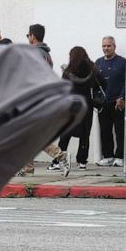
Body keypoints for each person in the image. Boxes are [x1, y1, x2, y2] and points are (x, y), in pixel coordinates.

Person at [20, 23, 69, 175]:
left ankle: (61, 157)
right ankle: (28, 169)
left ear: (33, 36)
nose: (28, 38)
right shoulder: (46, 53)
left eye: (28, 35)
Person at [52, 46, 101, 170]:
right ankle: (82, 161)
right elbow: (102, 85)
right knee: (85, 133)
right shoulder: (93, 70)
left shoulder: (68, 72)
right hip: (87, 106)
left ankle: (59, 161)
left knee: (65, 133)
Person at [95, 36, 126, 167]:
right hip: (103, 103)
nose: (106, 48)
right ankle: (108, 156)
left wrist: (122, 97)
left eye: (108, 46)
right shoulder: (98, 62)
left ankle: (120, 157)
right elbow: (95, 83)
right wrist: (96, 100)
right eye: (104, 46)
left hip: (117, 102)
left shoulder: (122, 62)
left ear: (114, 46)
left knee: (119, 131)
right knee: (105, 130)